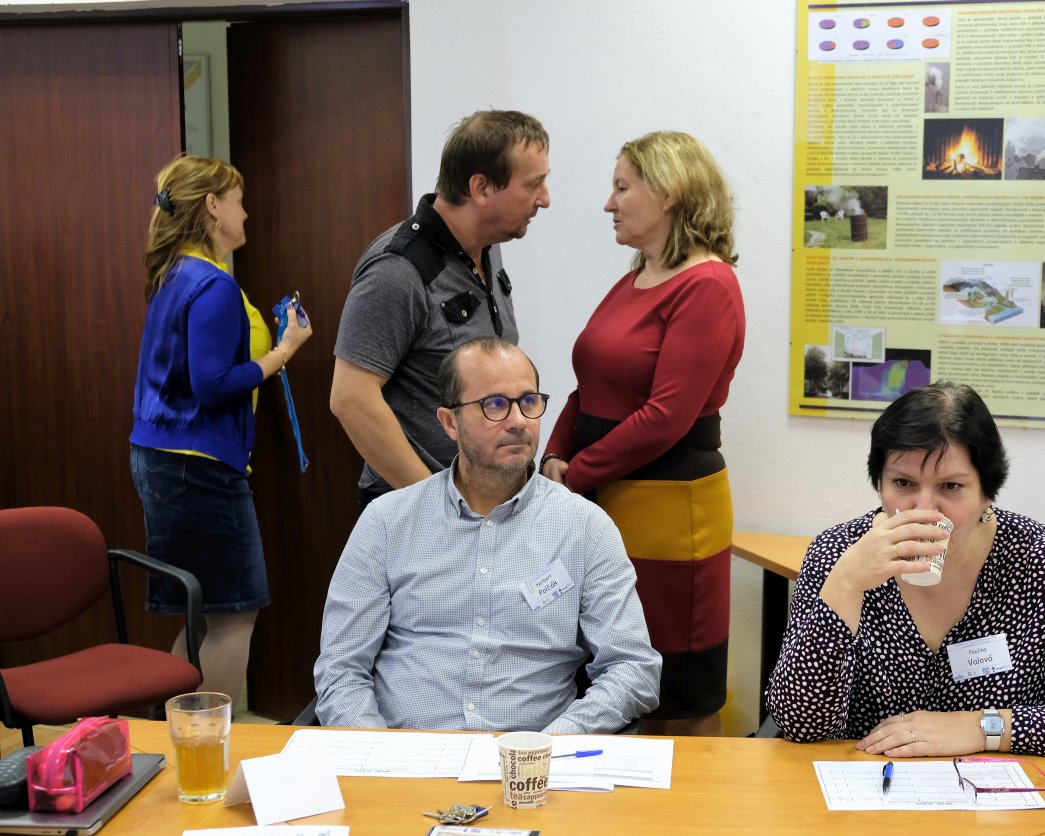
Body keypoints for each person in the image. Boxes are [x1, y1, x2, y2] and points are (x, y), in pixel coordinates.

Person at [765, 382, 1045, 756]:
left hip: (997, 794)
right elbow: (800, 724)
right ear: (880, 483)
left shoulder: (1037, 557)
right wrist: (847, 583)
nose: (924, 508)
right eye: (903, 483)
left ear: (987, 492)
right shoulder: (839, 552)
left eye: (951, 487)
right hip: (866, 783)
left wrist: (984, 728)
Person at [314, 337, 661, 733]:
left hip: (535, 758)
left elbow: (633, 668)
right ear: (450, 423)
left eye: (528, 401)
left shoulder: (584, 528)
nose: (518, 421)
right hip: (407, 752)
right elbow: (341, 670)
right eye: (495, 405)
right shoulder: (387, 522)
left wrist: (555, 743)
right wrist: (379, 752)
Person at [541, 131, 745, 737]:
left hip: (669, 512)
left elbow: (667, 417)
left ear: (669, 191)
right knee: (610, 677)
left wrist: (575, 474)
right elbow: (588, 384)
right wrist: (554, 455)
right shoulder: (637, 277)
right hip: (604, 498)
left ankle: (693, 803)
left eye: (622, 188)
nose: (609, 204)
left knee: (674, 693)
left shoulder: (708, 285)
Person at [129, 154, 314, 708]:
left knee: (203, 611)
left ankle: (173, 739)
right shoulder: (212, 284)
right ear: (213, 206)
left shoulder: (174, 274)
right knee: (234, 614)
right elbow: (211, 386)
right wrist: (284, 351)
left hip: (165, 458)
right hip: (198, 466)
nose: (246, 213)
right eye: (239, 201)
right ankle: (205, 742)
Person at [331, 110, 551, 511]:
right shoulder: (398, 269)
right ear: (480, 188)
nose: (545, 199)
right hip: (420, 514)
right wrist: (436, 507)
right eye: (533, 184)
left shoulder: (486, 247)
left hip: (486, 507)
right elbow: (351, 398)